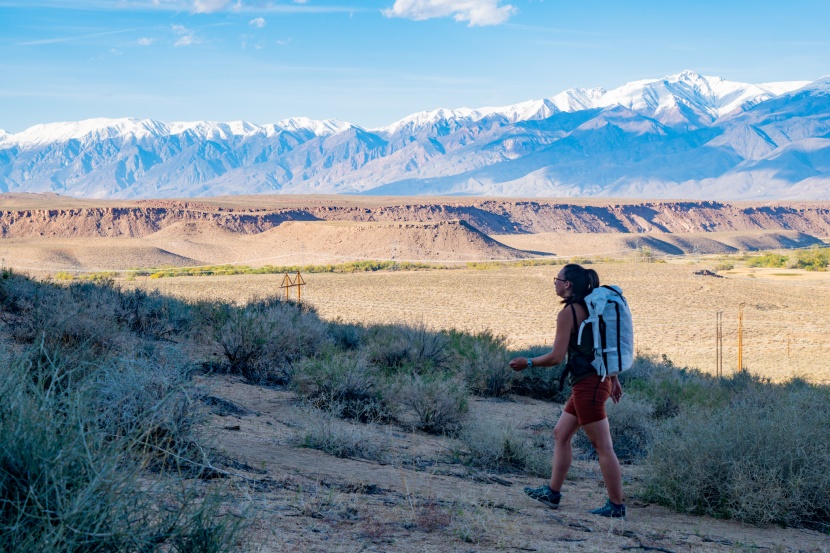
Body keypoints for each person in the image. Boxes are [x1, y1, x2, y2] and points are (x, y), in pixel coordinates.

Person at [509, 264, 626, 518]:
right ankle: (552, 493)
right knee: (561, 433)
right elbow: (602, 345)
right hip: (594, 382)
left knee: (603, 447)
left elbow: (556, 357)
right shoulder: (592, 308)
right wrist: (613, 379)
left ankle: (616, 506)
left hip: (588, 386)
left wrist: (528, 362)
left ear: (568, 284)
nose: (555, 282)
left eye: (557, 278)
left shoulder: (569, 313)